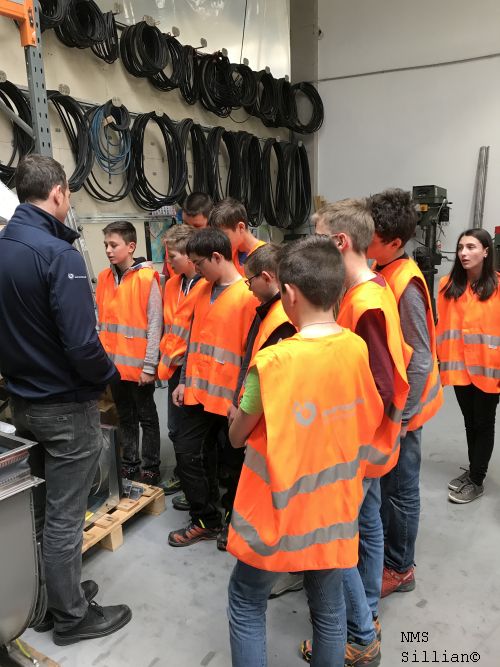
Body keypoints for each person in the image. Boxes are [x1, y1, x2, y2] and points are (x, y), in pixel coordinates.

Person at [226, 235, 384, 667]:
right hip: (333, 510)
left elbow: (238, 437)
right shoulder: (355, 349)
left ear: (289, 293)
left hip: (276, 515)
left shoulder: (272, 364)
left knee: (245, 599)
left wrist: (237, 418)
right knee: (329, 610)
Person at [0, 155, 131, 645]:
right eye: (68, 193)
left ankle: (48, 600)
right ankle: (72, 617)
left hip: (23, 402)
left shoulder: (4, 247)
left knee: (38, 511)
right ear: (58, 193)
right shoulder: (59, 255)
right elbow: (81, 345)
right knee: (65, 516)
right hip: (64, 405)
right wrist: (108, 377)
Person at [301, 199, 410, 666]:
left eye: (318, 235)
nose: (313, 243)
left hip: (357, 446)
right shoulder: (373, 286)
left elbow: (379, 387)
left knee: (337, 540)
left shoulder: (364, 304)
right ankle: (367, 609)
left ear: (340, 241)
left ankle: (361, 637)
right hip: (373, 443)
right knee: (367, 523)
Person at [367, 189, 443, 597]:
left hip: (406, 411)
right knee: (388, 486)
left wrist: (403, 418)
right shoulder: (382, 267)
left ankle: (400, 568)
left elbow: (420, 358)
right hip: (392, 406)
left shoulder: (407, 283)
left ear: (394, 242)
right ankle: (387, 555)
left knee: (400, 489)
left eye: (372, 235)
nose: (364, 239)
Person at [168, 228, 259, 546]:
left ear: (217, 257)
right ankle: (205, 519)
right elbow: (193, 340)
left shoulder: (248, 296)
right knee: (187, 452)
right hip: (198, 393)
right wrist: (183, 381)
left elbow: (251, 355)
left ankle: (234, 520)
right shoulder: (202, 290)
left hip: (231, 400)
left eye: (199, 263)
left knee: (233, 464)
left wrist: (241, 401)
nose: (195, 269)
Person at [218, 243, 295, 551]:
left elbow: (269, 377)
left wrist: (243, 414)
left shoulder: (282, 320)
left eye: (249, 280)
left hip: (265, 422)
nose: (248, 288)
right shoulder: (266, 311)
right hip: (251, 409)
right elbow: (250, 358)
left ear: (267, 277)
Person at [96, 220, 163, 485]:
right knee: (125, 417)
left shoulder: (147, 279)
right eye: (106, 245)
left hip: (139, 368)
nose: (108, 250)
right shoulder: (104, 278)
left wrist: (149, 366)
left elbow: (155, 325)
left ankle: (151, 467)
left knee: (147, 418)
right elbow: (101, 323)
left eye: (114, 245)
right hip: (113, 367)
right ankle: (130, 463)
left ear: (131, 246)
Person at [436, 228, 500, 503]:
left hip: (489, 370)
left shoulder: (498, 287)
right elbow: (442, 327)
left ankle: (477, 480)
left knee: (484, 424)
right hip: (460, 370)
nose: (463, 253)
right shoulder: (447, 286)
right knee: (470, 422)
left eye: (471, 247)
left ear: (486, 251)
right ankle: (474, 470)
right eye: (461, 247)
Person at [157, 225, 205, 497]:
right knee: (175, 428)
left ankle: (195, 485)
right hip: (173, 367)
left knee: (193, 433)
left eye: (172, 256)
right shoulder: (173, 284)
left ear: (189, 256)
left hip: (195, 369)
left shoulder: (205, 286)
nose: (168, 261)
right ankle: (183, 476)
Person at [208, 197, 266, 276]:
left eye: (224, 235)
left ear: (241, 227)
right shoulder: (227, 254)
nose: (220, 241)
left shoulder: (266, 257)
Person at [161, 192, 212, 277]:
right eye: (186, 224)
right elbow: (167, 278)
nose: (190, 231)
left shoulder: (219, 251)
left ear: (209, 224)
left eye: (197, 226)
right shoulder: (172, 249)